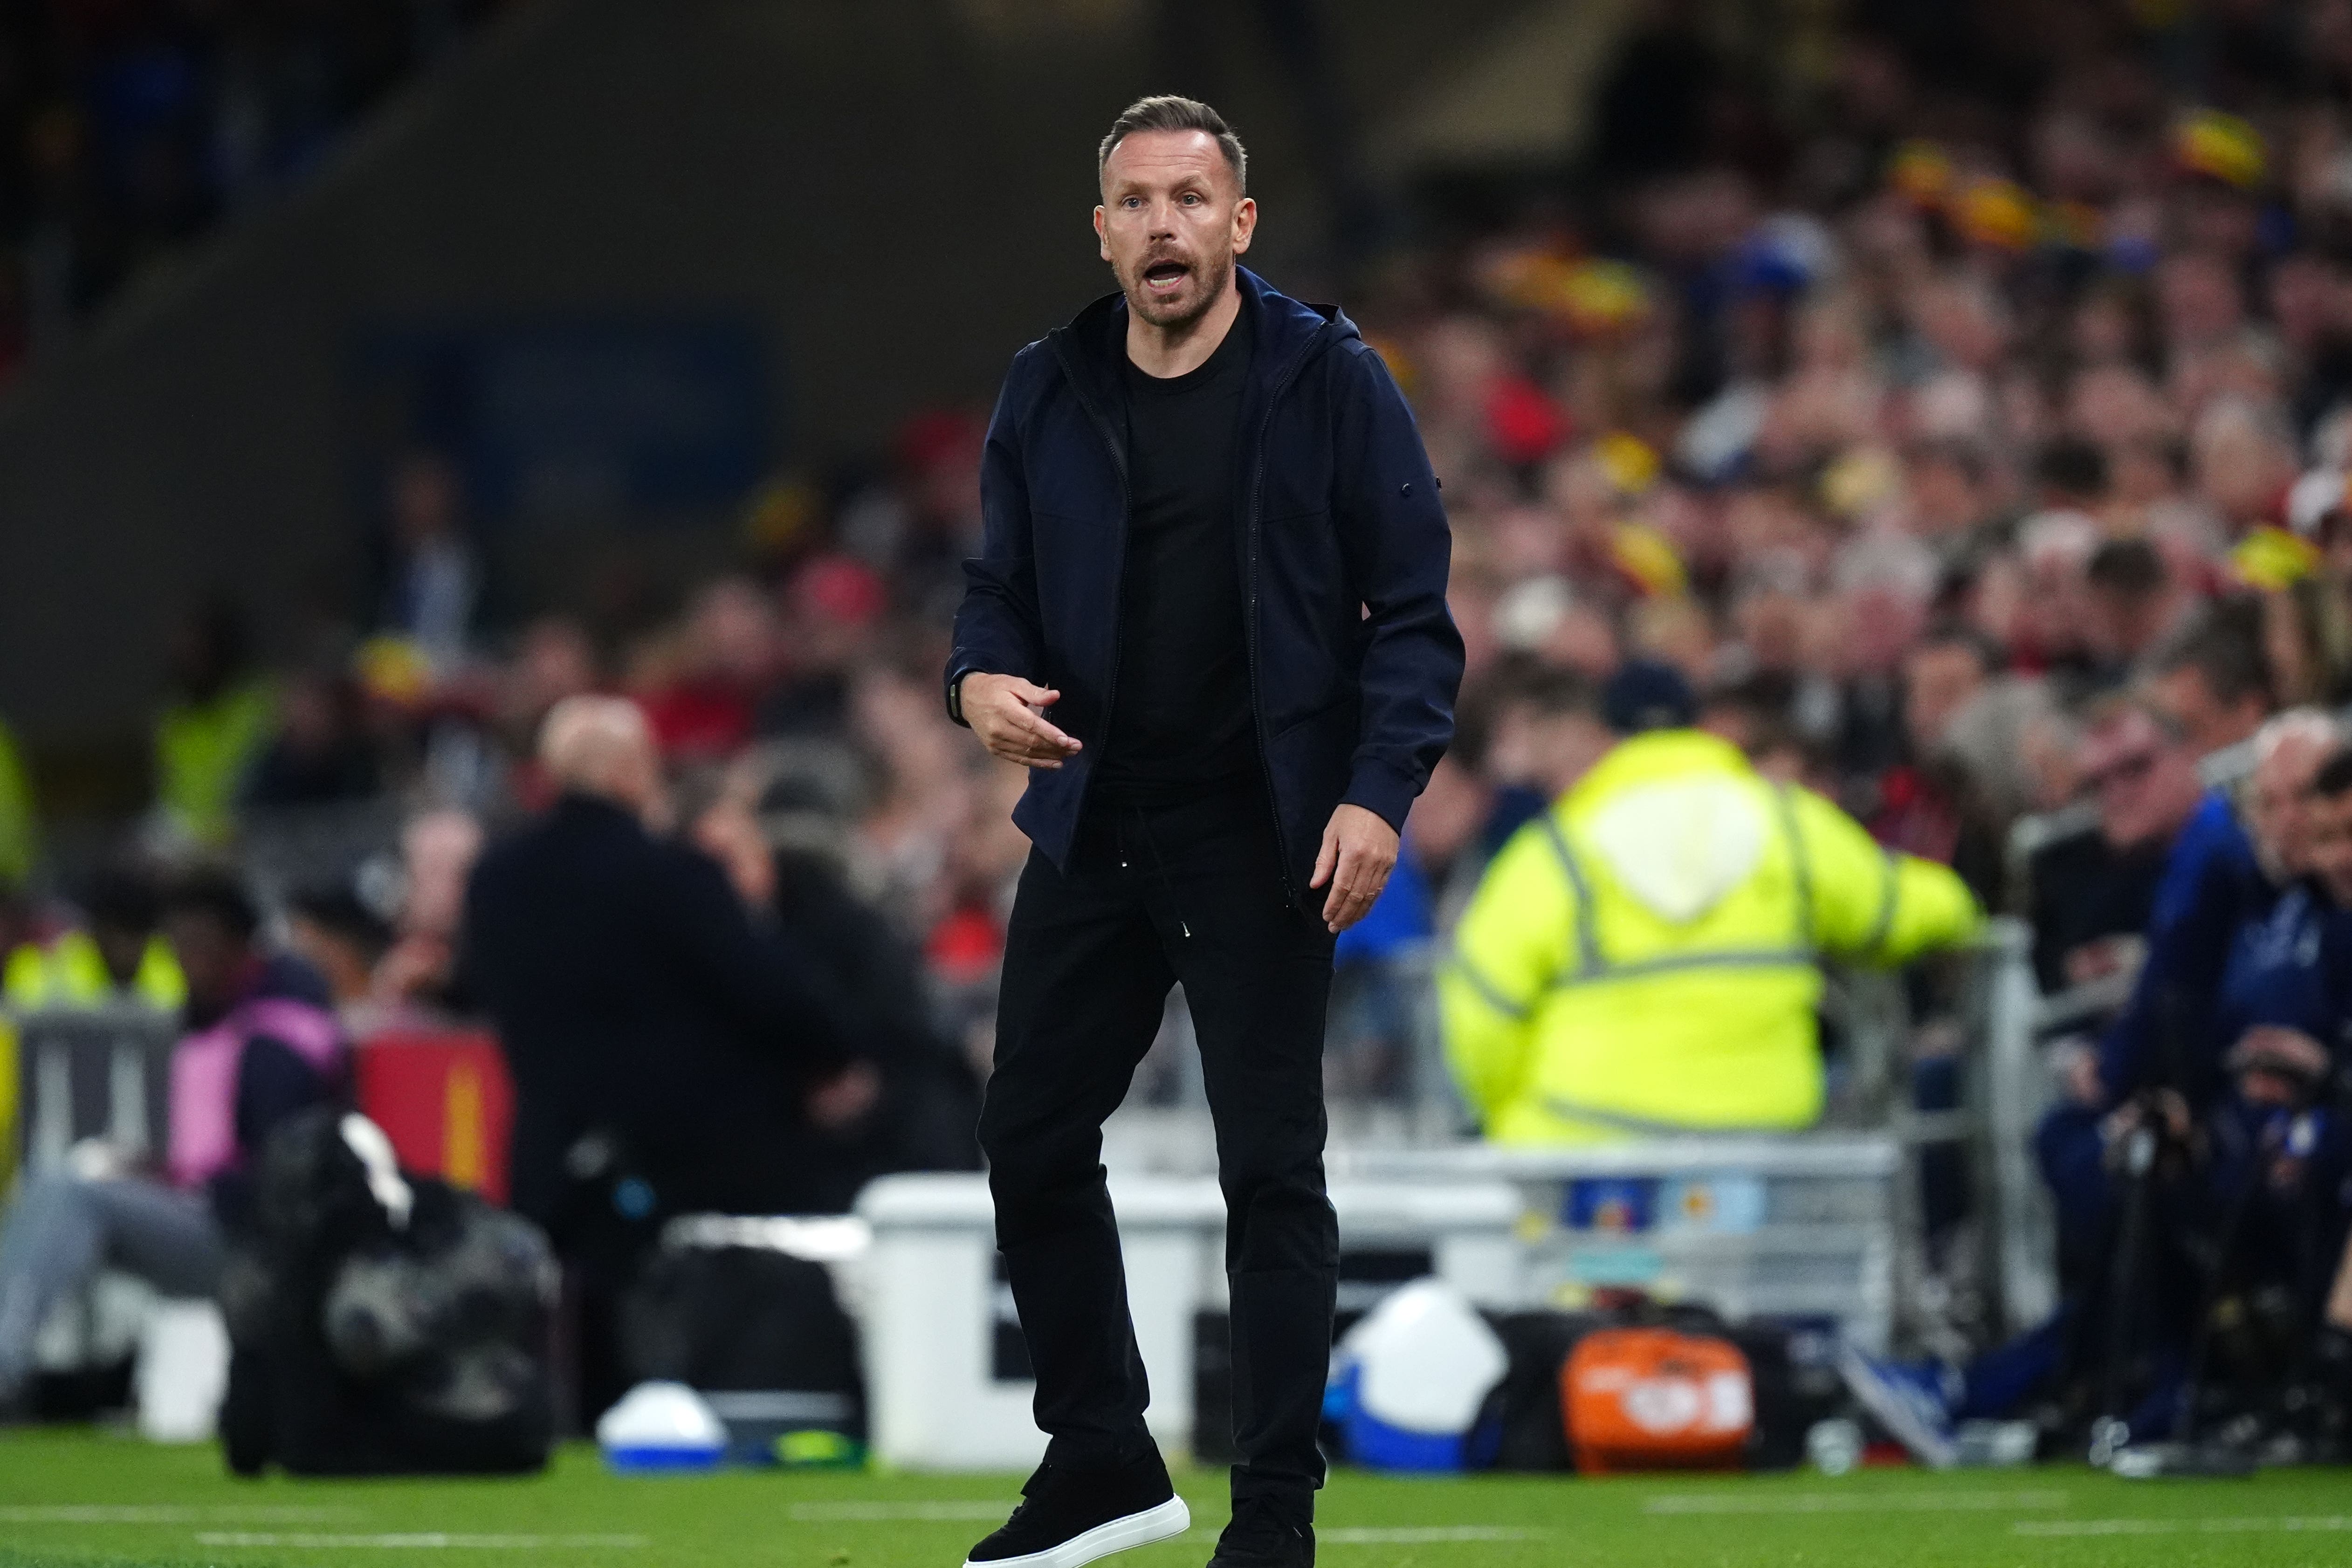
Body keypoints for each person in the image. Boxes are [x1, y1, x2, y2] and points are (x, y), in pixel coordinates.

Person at [945, 96, 1461, 1568]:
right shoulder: (1045, 384)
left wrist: (1375, 791)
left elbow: (1413, 615)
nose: (1162, 224)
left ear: (1239, 223)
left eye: (1189, 198)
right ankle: (1101, 1451)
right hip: (1100, 817)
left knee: (1270, 1169)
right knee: (1029, 1132)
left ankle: (1274, 1516)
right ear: (1099, 230)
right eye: (1134, 201)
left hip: (1263, 828)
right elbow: (996, 586)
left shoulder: (1327, 377)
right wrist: (972, 680)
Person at [459, 696, 852, 1418]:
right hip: (688, 1167)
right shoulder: (672, 876)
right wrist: (829, 1051)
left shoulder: (495, 882)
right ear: (632, 773)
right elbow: (769, 995)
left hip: (549, 1151)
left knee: (575, 1356)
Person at [1439, 682, 1979, 1145]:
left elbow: (1482, 1007)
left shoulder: (1558, 850)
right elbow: (1891, 907)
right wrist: (1966, 907)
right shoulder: (1783, 821)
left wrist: (1511, 1113)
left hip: (1588, 1142)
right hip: (1755, 1138)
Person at [0, 868, 342, 1413]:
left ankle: (6, 1363)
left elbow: (277, 1167)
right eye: (178, 945)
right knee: (64, 1182)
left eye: (201, 945)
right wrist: (153, 1169)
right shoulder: (204, 1022)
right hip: (201, 1209)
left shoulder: (275, 1036)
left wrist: (180, 1181)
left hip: (246, 1235)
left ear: (239, 947)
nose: (186, 959)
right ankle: (71, 1378)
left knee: (68, 1192)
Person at [2, 865, 184, 1014]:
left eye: (134, 935)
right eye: (115, 934)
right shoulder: (56, 969)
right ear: (96, 932)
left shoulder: (173, 966)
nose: (124, 947)